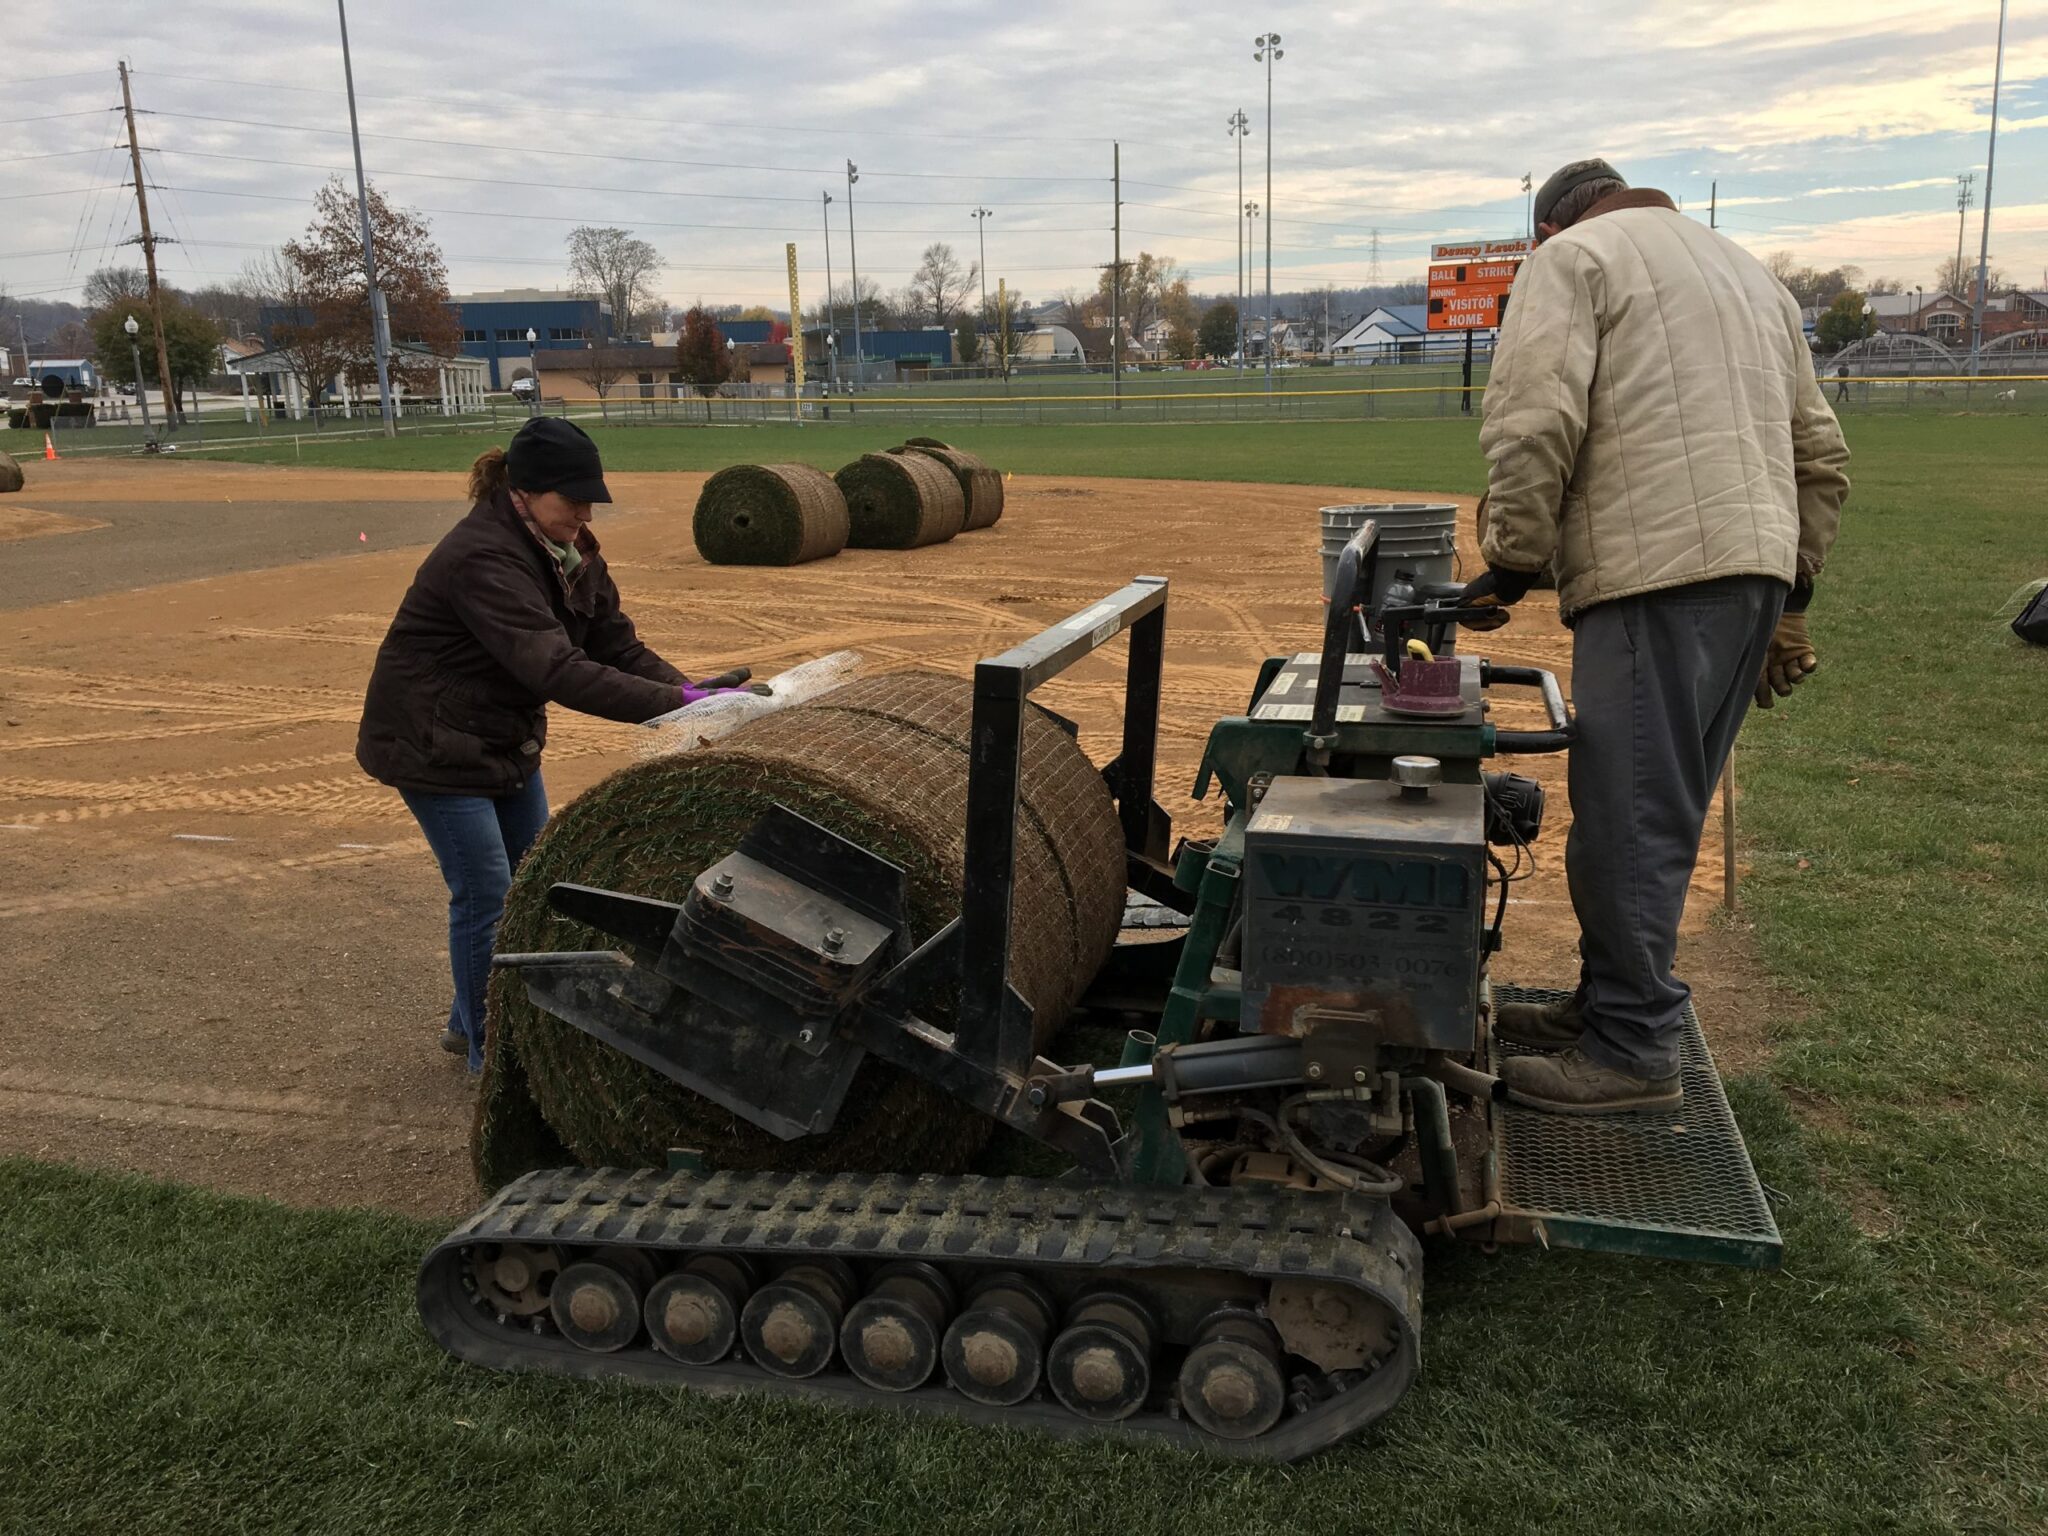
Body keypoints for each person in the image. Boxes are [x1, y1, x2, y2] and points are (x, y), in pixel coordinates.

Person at [1459, 157, 1849, 1114]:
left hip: (1658, 575)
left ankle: (1633, 1050)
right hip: (1751, 574)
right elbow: (1821, 455)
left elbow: (1533, 419)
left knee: (1628, 821)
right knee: (1659, 813)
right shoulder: (1750, 274)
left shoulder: (1575, 261)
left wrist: (1512, 561)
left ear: (1548, 227)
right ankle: (1608, 1007)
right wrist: (1792, 597)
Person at [356, 418, 758, 1070]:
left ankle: (467, 1021)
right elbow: (556, 669)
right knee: (486, 894)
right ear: (526, 491)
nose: (584, 511)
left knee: (533, 883)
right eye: (571, 499)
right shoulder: (484, 559)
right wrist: (674, 708)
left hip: (499, 739)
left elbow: (615, 647)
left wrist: (690, 694)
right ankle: (494, 1057)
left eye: (589, 497)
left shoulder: (569, 552)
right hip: (429, 740)